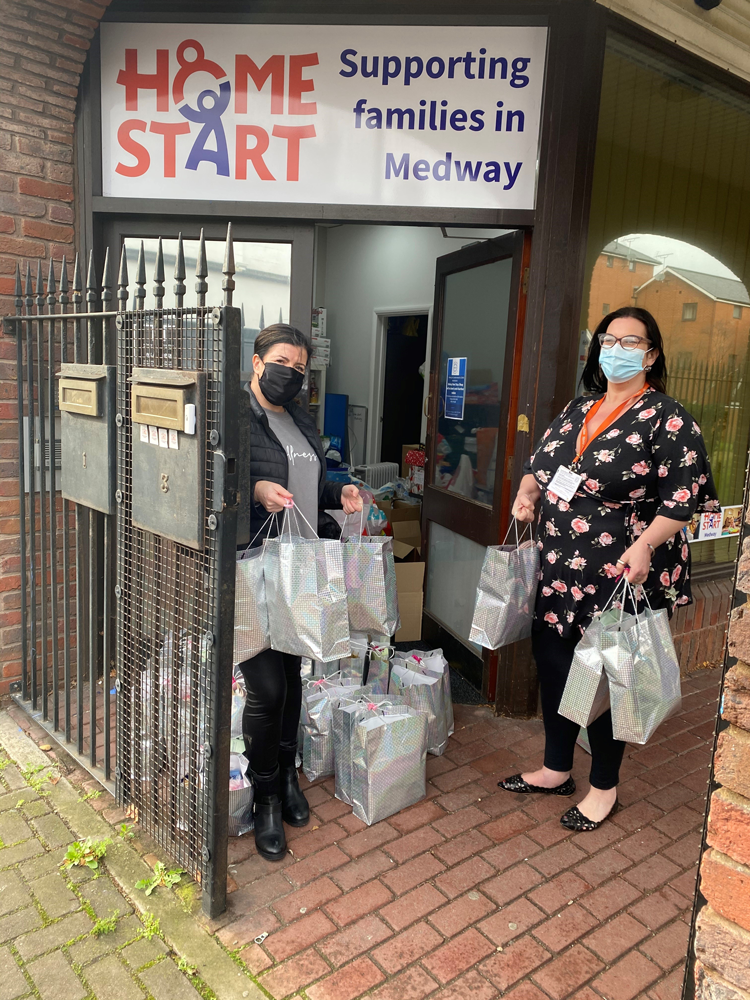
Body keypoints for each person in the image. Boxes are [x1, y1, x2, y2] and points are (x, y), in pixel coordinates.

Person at [500, 307, 718, 831]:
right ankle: (556, 768)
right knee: (554, 666)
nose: (615, 348)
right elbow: (541, 465)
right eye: (608, 338)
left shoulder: (667, 417)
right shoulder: (580, 408)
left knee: (609, 680)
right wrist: (526, 495)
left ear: (651, 353)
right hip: (559, 569)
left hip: (621, 571)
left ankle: (604, 786)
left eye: (630, 340)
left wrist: (645, 545)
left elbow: (683, 499)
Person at [237, 323, 362, 861]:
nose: (292, 373)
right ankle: (265, 797)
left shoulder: (301, 417)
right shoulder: (235, 417)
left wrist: (342, 489)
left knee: (291, 677)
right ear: (258, 363)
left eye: (301, 367)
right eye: (283, 361)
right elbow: (208, 480)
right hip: (254, 566)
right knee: (265, 687)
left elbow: (310, 479)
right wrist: (255, 489)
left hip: (302, 565)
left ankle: (286, 777)